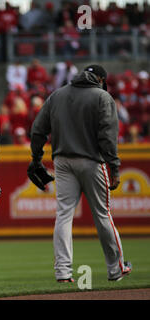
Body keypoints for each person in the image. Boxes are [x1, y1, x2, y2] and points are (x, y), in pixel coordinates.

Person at [29, 65, 132, 282]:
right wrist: (114, 167)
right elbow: (107, 136)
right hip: (92, 161)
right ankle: (116, 269)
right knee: (102, 214)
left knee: (64, 215)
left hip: (62, 160)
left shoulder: (57, 95)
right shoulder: (102, 97)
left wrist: (36, 158)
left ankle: (63, 272)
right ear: (101, 79)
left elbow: (38, 129)